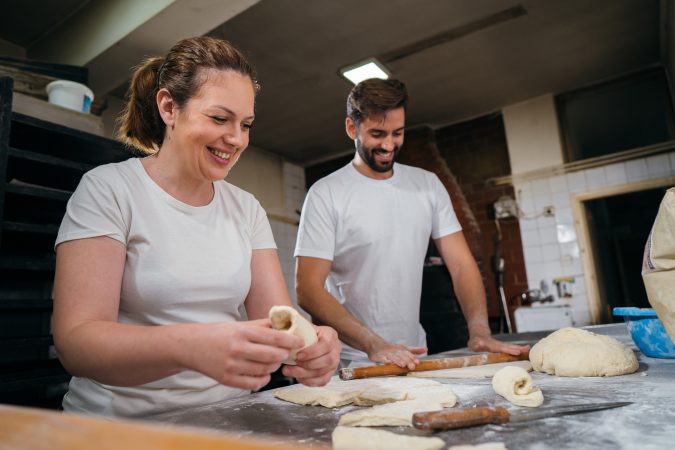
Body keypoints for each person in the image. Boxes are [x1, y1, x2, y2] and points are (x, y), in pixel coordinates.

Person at [52, 36, 340, 418]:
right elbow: (77, 342)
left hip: (223, 416)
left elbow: (278, 318)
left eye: (246, 124)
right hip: (120, 423)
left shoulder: (246, 208)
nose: (236, 139)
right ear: (169, 107)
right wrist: (189, 347)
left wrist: (315, 342)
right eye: (220, 119)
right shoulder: (110, 190)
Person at [294, 78, 528, 370]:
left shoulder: (427, 185)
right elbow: (307, 288)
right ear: (352, 128)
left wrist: (479, 329)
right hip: (351, 361)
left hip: (414, 353)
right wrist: (373, 343)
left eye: (398, 133)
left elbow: (461, 265)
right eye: (377, 134)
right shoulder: (326, 193)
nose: (389, 145)